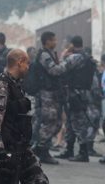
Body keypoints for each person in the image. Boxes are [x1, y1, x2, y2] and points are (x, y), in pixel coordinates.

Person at [0, 49, 49, 184]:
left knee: (39, 180)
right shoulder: (1, 85)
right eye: (27, 63)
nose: (28, 67)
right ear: (19, 62)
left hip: (21, 146)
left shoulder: (16, 84)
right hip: (7, 150)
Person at [33, 31, 69, 165]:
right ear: (47, 41)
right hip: (46, 95)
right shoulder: (44, 55)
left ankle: (39, 147)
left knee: (57, 123)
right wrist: (66, 62)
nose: (56, 42)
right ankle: (43, 150)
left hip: (54, 94)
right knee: (49, 122)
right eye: (54, 40)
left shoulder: (50, 54)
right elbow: (54, 70)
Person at [59, 36, 96, 162]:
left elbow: (60, 68)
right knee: (70, 122)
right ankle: (69, 150)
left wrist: (63, 54)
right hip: (82, 93)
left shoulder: (75, 57)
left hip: (75, 93)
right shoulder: (87, 57)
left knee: (78, 123)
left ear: (72, 45)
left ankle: (83, 153)